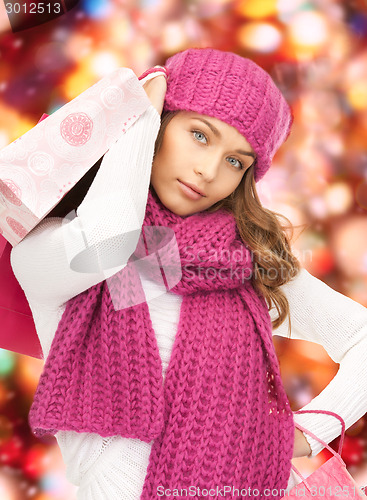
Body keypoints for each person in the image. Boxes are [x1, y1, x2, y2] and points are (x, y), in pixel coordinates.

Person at [10, 48, 367, 499]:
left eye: (236, 161)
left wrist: (308, 433)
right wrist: (136, 110)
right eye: (200, 135)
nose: (209, 170)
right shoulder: (52, 251)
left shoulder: (244, 265)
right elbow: (109, 239)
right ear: (160, 124)